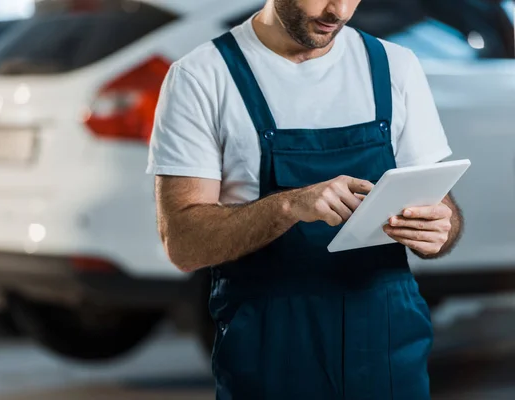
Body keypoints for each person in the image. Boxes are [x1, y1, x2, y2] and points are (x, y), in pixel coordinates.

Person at [146, 0, 464, 398]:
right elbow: (183, 243)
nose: (340, 11)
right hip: (271, 350)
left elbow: (442, 208)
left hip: (387, 343)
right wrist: (288, 206)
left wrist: (440, 227)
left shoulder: (395, 66)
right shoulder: (202, 77)